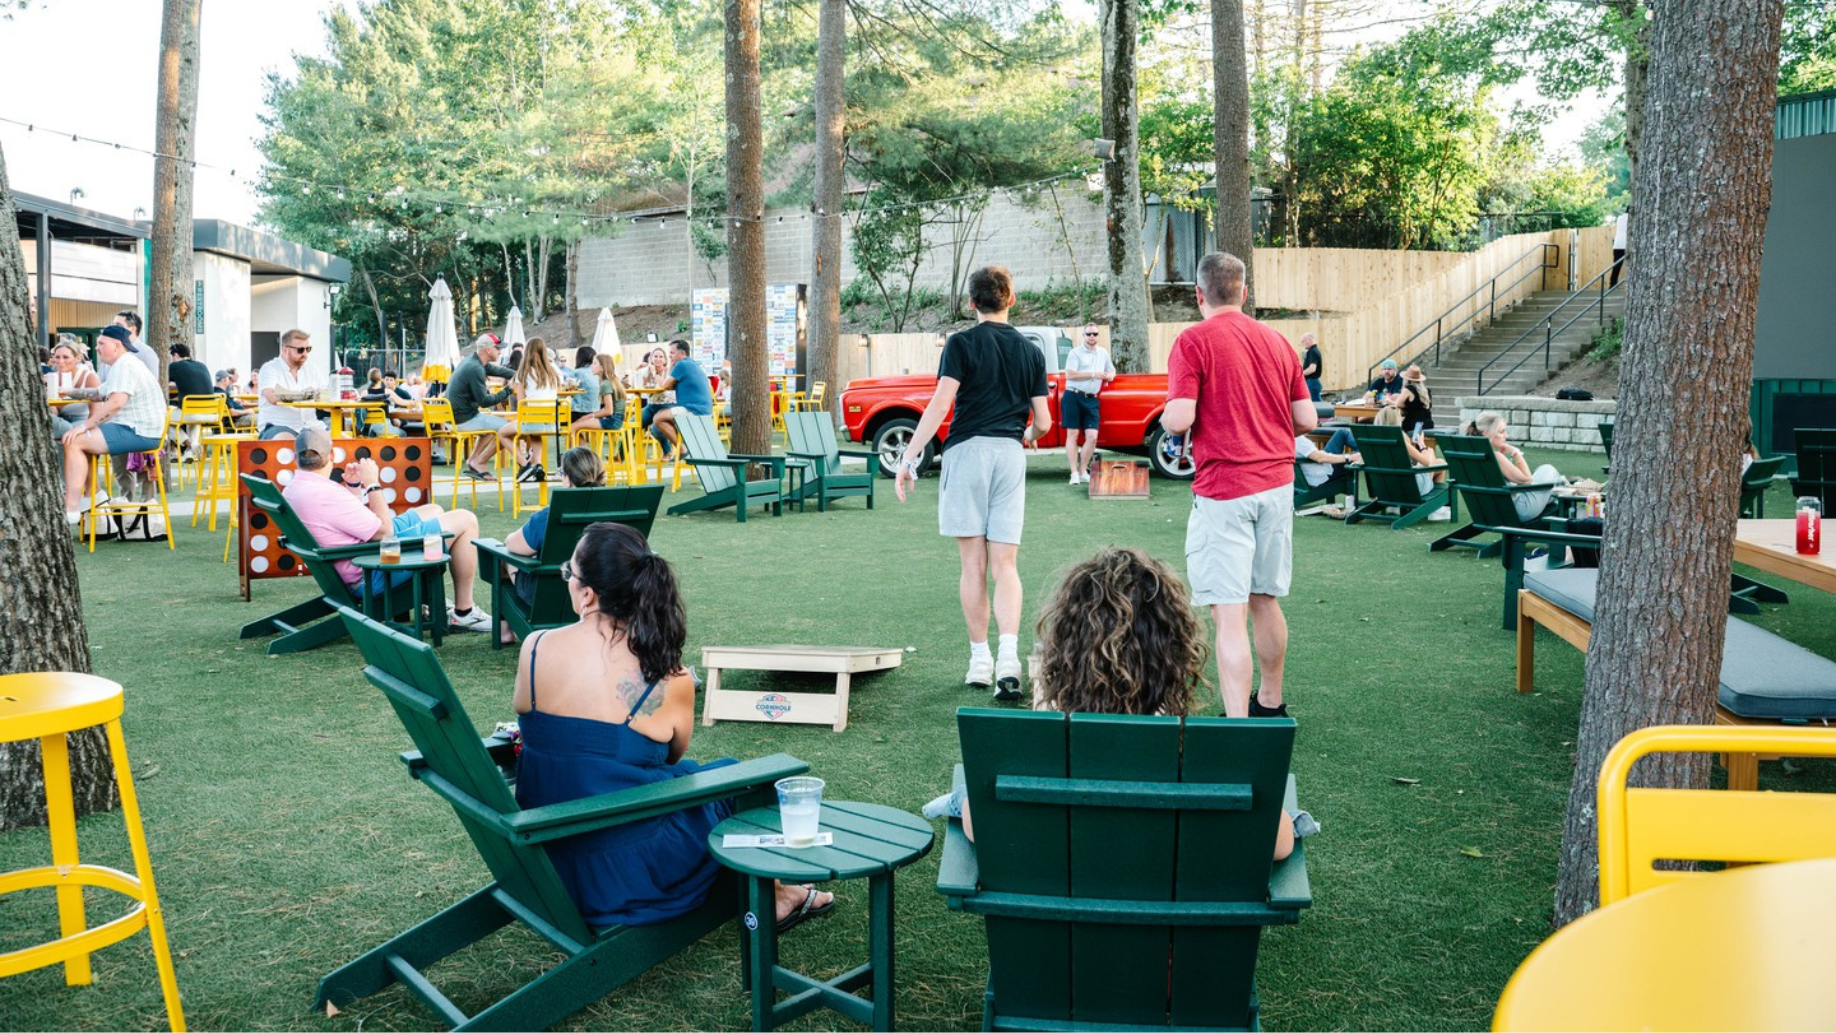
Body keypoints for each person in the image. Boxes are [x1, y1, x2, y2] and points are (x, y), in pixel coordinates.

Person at [512, 521, 835, 930]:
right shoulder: (667, 678)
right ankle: (778, 895)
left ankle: (777, 892)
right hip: (625, 872)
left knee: (704, 776)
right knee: (742, 783)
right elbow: (673, 754)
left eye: (568, 574)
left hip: (546, 856)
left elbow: (530, 717)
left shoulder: (535, 648)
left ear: (588, 595)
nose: (568, 582)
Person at [921, 547, 1306, 861]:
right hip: (1174, 949)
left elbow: (977, 823)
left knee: (964, 800)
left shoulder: (1041, 756)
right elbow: (1279, 843)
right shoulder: (1201, 760)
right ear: (1174, 656)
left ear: (1064, 656)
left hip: (1065, 947)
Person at [1161, 251, 1316, 719]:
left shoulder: (1192, 340)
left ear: (1198, 295)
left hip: (1225, 489)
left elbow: (1181, 417)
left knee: (1229, 613)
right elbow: (1306, 418)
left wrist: (1171, 417)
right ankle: (1270, 701)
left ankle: (1237, 726)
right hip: (1276, 486)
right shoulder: (1278, 342)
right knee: (1264, 599)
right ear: (1244, 292)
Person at [894, 265, 1051, 701]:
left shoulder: (960, 343)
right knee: (1006, 566)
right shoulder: (1030, 350)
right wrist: (1026, 437)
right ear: (1012, 299)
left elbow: (941, 402)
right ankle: (1008, 659)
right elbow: (1043, 421)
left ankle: (979, 661)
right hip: (1008, 454)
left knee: (972, 566)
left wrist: (910, 457)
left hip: (966, 453)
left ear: (970, 303)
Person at [280, 426, 492, 632]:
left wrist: (353, 487)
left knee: (434, 510)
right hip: (372, 570)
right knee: (467, 520)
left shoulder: (296, 488)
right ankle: (463, 613)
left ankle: (429, 603)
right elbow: (386, 533)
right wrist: (372, 484)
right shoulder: (325, 493)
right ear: (332, 454)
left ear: (296, 458)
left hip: (356, 558)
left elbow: (337, 522)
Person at [496, 446, 607, 643]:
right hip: (605, 592)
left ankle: (505, 632)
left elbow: (513, 545)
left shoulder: (549, 515)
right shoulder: (618, 507)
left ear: (566, 478)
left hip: (548, 593)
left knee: (501, 557)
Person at [59, 325, 166, 524]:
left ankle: (72, 506)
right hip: (138, 428)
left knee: (74, 441)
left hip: (138, 431)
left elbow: (116, 403)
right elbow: (99, 393)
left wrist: (83, 426)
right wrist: (69, 391)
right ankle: (92, 494)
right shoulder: (124, 364)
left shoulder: (124, 366)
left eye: (101, 343)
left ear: (116, 346)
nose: (96, 348)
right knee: (79, 442)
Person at [1465, 411, 1565, 522]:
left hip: (1488, 510)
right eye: (1501, 431)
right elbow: (1527, 480)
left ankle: (1559, 490)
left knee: (1547, 480)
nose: (1506, 436)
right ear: (1487, 433)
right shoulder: (1495, 457)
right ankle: (1566, 491)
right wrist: (1515, 453)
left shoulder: (1468, 456)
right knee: (1547, 469)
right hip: (1517, 510)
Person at [448, 333, 520, 481]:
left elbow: (498, 371)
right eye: (498, 348)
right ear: (488, 350)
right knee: (509, 429)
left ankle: (473, 460)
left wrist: (522, 374)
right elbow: (485, 402)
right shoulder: (475, 369)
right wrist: (508, 390)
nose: (500, 352)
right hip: (464, 420)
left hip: (456, 418)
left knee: (491, 428)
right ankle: (480, 461)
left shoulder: (471, 361)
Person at [502, 338, 565, 481]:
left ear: (527, 352)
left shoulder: (524, 372)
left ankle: (525, 465)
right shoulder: (554, 370)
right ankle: (537, 465)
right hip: (553, 423)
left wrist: (521, 417)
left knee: (502, 433)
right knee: (535, 433)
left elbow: (521, 403)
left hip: (532, 420)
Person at [1061, 322, 1114, 486]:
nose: (1092, 337)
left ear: (1098, 336)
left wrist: (1110, 375)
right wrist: (1094, 374)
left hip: (1091, 398)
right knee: (1073, 435)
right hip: (1073, 396)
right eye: (1089, 334)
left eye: (1095, 334)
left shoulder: (1103, 353)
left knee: (1092, 437)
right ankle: (1074, 473)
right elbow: (1069, 374)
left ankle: (1083, 470)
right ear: (1083, 336)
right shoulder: (1075, 353)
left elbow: (1111, 369)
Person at [256, 329, 328, 439]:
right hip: (277, 425)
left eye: (308, 349)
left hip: (311, 426)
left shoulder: (312, 369)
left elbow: (325, 395)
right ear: (285, 350)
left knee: (344, 442)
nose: (305, 354)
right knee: (288, 442)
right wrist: (307, 394)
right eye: (300, 350)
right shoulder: (270, 368)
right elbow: (271, 396)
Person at [648, 340, 713, 456]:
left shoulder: (682, 364)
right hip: (703, 411)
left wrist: (654, 374)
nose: (669, 356)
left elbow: (664, 385)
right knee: (658, 425)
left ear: (682, 353)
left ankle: (683, 450)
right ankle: (684, 447)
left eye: (672, 353)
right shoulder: (691, 364)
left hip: (694, 410)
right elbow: (669, 387)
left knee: (658, 418)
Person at [46, 335, 102, 438]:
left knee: (67, 432)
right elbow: (55, 412)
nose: (60, 361)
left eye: (65, 357)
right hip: (61, 421)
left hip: (83, 420)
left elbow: (96, 412)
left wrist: (85, 428)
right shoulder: (53, 378)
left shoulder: (89, 377)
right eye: (57, 357)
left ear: (78, 358)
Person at [571, 354, 626, 439]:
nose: (591, 366)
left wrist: (589, 416)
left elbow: (609, 411)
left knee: (573, 427)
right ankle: (582, 451)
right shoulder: (613, 381)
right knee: (578, 424)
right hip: (618, 420)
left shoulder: (605, 384)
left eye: (594, 363)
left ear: (602, 368)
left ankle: (575, 452)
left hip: (612, 421)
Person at [112, 311, 159, 379]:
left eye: (118, 325)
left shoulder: (146, 353)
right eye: (113, 325)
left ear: (133, 329)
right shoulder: (111, 352)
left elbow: (152, 385)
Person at [1397, 364, 1433, 432]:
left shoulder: (1409, 388)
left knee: (1400, 429)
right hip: (1428, 423)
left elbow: (1397, 404)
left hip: (1414, 424)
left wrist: (1389, 401)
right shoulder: (1426, 391)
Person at [1299, 332, 1324, 402]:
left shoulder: (1312, 351)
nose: (1302, 343)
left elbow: (1312, 369)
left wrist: (1300, 374)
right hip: (1313, 382)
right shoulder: (1314, 350)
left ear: (1310, 340)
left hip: (1312, 382)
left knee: (1316, 405)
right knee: (1317, 405)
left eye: (1303, 341)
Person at [1610, 211, 1628, 288]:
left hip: (1617, 244)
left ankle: (1612, 284)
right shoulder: (1631, 219)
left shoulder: (1619, 218)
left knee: (1616, 265)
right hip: (1626, 244)